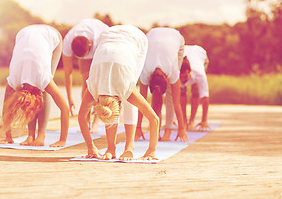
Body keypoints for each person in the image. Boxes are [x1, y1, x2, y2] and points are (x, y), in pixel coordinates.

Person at [78, 25, 159, 161]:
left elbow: (154, 119)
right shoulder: (93, 88)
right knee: (114, 106)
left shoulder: (126, 88)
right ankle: (111, 148)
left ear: (119, 105)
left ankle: (129, 147)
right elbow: (81, 117)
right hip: (107, 36)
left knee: (130, 100)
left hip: (136, 37)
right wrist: (90, 146)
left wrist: (152, 151)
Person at [0, 24, 69, 147]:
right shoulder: (14, 80)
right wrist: (8, 137)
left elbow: (65, 108)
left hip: (51, 35)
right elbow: (6, 109)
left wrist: (62, 140)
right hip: (24, 34)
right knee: (32, 101)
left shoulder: (43, 78)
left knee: (45, 90)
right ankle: (30, 135)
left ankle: (41, 135)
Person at [136, 27, 188, 142]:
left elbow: (177, 103)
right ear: (149, 80)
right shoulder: (144, 71)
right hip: (152, 35)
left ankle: (167, 132)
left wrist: (182, 129)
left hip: (175, 37)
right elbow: (141, 102)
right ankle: (156, 131)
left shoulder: (172, 71)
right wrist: (137, 128)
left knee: (171, 94)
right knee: (157, 94)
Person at [62, 18, 109, 133]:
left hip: (104, 49)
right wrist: (69, 97)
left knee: (98, 84)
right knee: (86, 82)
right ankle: (86, 121)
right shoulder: (68, 41)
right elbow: (68, 72)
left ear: (89, 45)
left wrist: (98, 102)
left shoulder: (100, 38)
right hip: (86, 46)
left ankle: (95, 124)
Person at [180, 45, 210, 131]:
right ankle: (184, 121)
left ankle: (191, 121)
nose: (183, 80)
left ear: (189, 71)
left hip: (200, 54)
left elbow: (204, 96)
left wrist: (204, 120)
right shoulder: (175, 70)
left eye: (185, 77)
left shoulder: (199, 73)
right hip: (184, 52)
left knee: (196, 90)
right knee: (181, 91)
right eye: (180, 77)